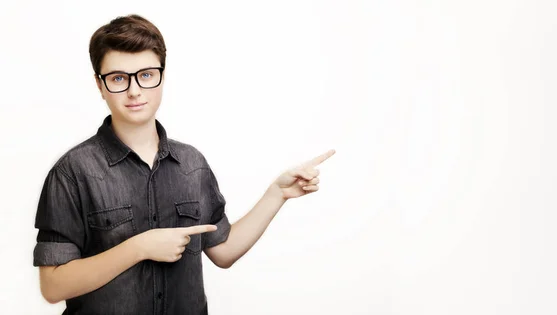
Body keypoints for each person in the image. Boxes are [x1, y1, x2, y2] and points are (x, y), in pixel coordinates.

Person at [32, 14, 335, 315]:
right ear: (100, 85)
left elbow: (223, 251)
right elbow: (52, 286)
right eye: (118, 78)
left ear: (162, 75)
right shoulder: (72, 172)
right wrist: (139, 247)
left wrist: (277, 194)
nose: (134, 90)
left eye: (146, 75)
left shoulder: (191, 164)